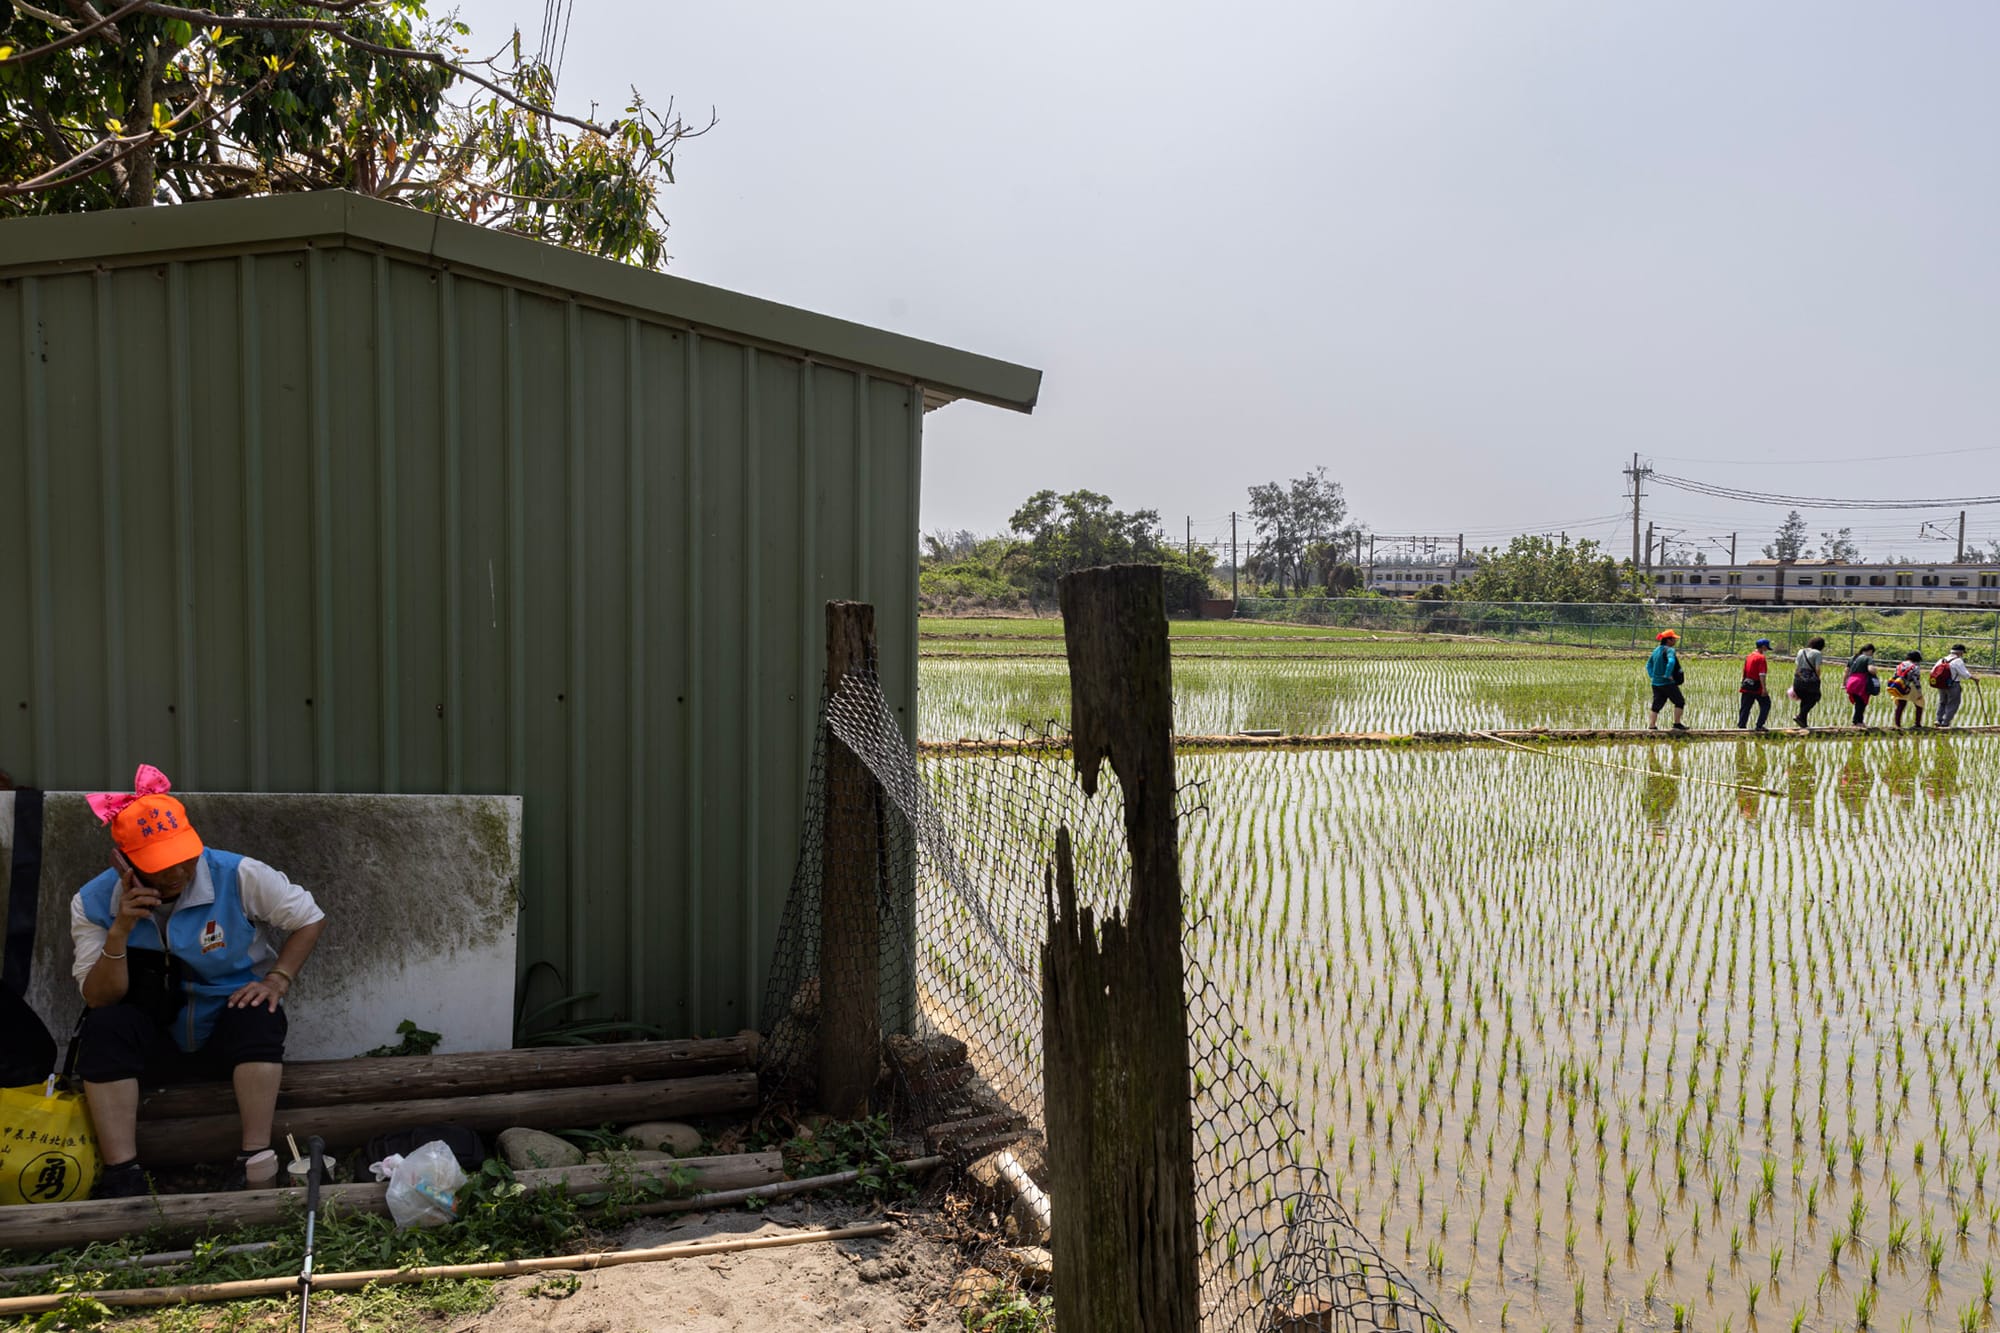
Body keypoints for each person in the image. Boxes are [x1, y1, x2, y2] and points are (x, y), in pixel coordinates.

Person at [70, 765, 326, 1198]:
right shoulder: (93, 901)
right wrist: (120, 930)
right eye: (161, 865)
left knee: (259, 1015)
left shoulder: (236, 873)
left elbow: (308, 917)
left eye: (184, 857)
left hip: (225, 1034)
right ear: (124, 862)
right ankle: (123, 1174)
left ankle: (254, 1159)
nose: (178, 872)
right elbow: (98, 996)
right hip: (152, 1043)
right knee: (105, 1026)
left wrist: (277, 979)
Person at [1646, 629, 1689, 731]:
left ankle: (1652, 726)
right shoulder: (1670, 650)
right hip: (1667, 683)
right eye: (1674, 639)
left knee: (1656, 705)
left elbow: (1648, 664)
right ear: (1668, 640)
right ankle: (1677, 724)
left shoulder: (1656, 650)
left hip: (1656, 683)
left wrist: (1653, 675)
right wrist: (1667, 674)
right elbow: (1671, 662)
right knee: (1679, 701)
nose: (1675, 641)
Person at [1932, 643, 1978, 728]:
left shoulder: (1942, 660)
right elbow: (1965, 674)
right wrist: (1975, 678)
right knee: (1953, 703)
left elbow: (1933, 671)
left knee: (1942, 702)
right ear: (1960, 652)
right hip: (1953, 685)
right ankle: (1945, 722)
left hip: (1941, 685)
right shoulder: (1958, 660)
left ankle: (1938, 720)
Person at [1737, 637, 1772, 732]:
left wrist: (1743, 683)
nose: (1766, 650)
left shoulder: (1749, 656)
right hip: (1757, 686)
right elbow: (1762, 674)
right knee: (1766, 704)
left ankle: (1741, 727)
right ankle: (1759, 726)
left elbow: (1744, 671)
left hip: (1747, 684)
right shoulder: (1761, 658)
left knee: (1745, 707)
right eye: (1766, 648)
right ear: (1763, 647)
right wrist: (1764, 689)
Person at [1791, 636, 1826, 730]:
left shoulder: (1800, 651)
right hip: (1810, 680)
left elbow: (1797, 667)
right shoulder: (1817, 653)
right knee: (1814, 698)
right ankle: (1800, 716)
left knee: (1804, 699)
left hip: (1798, 679)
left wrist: (1799, 677)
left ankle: (1803, 723)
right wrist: (1818, 678)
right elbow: (1817, 668)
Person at [1886, 651, 1926, 730]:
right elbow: (1916, 680)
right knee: (1919, 703)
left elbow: (1895, 676)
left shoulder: (1900, 665)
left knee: (1901, 705)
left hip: (1900, 686)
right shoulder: (1915, 667)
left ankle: (1897, 724)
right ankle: (1917, 724)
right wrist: (1919, 691)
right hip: (1910, 687)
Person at [1844, 643, 1877, 728]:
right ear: (1870, 651)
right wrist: (1875, 670)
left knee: (1858, 702)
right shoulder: (1868, 658)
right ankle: (1856, 722)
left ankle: (1859, 721)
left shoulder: (1852, 658)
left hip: (1851, 681)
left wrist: (1844, 683)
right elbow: (1871, 670)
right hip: (1860, 682)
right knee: (1861, 703)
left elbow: (1846, 671)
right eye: (1872, 653)